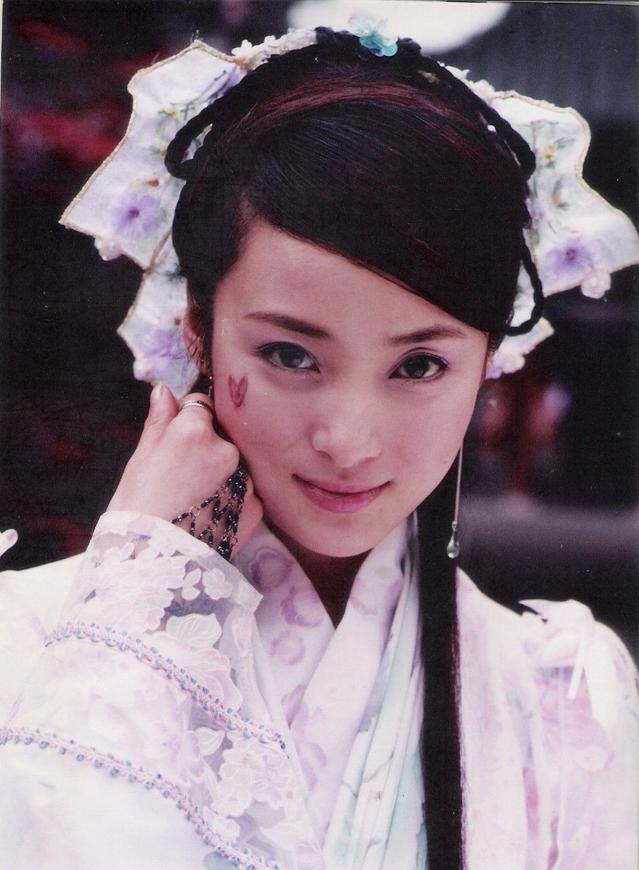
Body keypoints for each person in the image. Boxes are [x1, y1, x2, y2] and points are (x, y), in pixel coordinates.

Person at [0, 21, 638, 870]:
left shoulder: (562, 695)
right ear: (195, 328)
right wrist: (134, 612)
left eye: (418, 365)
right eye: (290, 355)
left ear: (489, 360)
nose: (347, 440)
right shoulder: (26, 641)